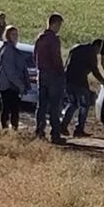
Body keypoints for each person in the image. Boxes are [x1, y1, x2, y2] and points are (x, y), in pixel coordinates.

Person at [61, 39, 104, 137]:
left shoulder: (77, 48)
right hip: (80, 82)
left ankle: (63, 126)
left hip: (68, 80)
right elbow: (95, 70)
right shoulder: (91, 52)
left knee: (72, 104)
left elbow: (67, 64)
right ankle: (79, 129)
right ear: (98, 47)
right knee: (84, 105)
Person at [34, 13, 66, 144]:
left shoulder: (40, 38)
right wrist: (61, 72)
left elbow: (34, 56)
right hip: (53, 74)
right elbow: (56, 58)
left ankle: (39, 131)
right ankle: (55, 134)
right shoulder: (53, 39)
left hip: (42, 73)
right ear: (55, 24)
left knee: (41, 105)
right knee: (54, 105)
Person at [0, 25, 31, 130]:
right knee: (9, 109)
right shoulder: (8, 50)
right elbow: (10, 71)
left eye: (16, 34)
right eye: (13, 34)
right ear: (7, 36)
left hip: (12, 85)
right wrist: (20, 85)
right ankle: (7, 130)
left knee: (12, 109)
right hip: (8, 85)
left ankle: (10, 129)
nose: (15, 36)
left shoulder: (13, 49)